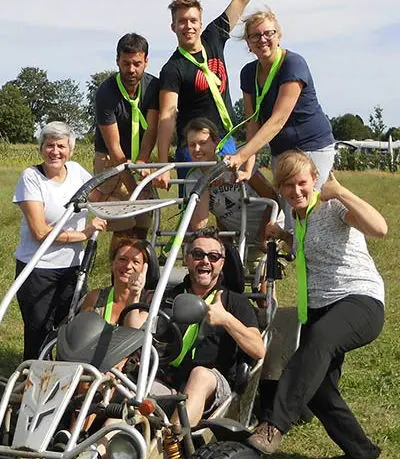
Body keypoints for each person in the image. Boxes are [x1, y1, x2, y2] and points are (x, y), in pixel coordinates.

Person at [246, 151, 387, 459]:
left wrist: (342, 192)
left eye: (301, 183)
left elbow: (380, 228)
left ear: (314, 180)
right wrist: (283, 236)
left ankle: (274, 425)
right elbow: (304, 248)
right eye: (287, 185)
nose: (295, 191)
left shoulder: (333, 207)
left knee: (319, 340)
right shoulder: (298, 219)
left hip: (360, 300)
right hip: (320, 307)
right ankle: (362, 454)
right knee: (318, 387)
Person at [222, 10, 336, 229]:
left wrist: (241, 155)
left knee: (312, 209)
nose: (262, 39)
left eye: (268, 33)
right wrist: (248, 167)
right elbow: (253, 122)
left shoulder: (293, 64)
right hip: (281, 150)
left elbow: (278, 119)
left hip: (312, 146)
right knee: (291, 211)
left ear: (278, 36)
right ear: (248, 43)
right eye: (255, 36)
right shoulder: (248, 73)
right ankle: (294, 246)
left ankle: (317, 248)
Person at [14, 121, 107, 361]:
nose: (55, 151)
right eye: (49, 145)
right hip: (38, 269)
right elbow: (40, 232)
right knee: (39, 331)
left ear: (70, 150)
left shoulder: (76, 172)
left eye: (61, 146)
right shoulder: (31, 177)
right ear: (41, 148)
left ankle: (65, 378)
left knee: (71, 329)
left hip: (73, 267)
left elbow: (101, 197)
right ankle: (33, 376)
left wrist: (115, 171)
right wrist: (84, 234)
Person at [161, 228, 265, 426]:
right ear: (187, 259)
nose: (205, 261)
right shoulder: (168, 298)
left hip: (213, 383)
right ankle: (102, 443)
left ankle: (173, 440)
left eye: (213, 256)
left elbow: (258, 350)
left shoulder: (235, 302)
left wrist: (226, 319)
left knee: (200, 375)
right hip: (168, 380)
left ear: (222, 263)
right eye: (198, 254)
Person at [153, 0, 251, 193]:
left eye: (193, 20)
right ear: (173, 27)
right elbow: (166, 116)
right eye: (182, 21)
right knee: (195, 207)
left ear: (200, 23)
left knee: (231, 202)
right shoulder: (172, 69)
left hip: (225, 141)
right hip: (193, 148)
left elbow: (239, 3)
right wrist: (163, 165)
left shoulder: (214, 37)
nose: (188, 26)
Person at [93, 33, 161, 251]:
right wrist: (134, 189)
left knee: (142, 224)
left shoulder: (153, 86)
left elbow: (151, 129)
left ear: (146, 61)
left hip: (141, 157)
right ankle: (118, 268)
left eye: (137, 64)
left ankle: (138, 269)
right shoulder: (106, 92)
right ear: (117, 61)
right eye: (126, 63)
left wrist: (142, 161)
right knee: (123, 227)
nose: (131, 70)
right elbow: (114, 148)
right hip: (111, 160)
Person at [183, 117, 278, 254]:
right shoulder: (193, 178)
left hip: (269, 231)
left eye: (202, 143)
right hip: (242, 238)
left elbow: (273, 197)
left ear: (216, 143)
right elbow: (199, 225)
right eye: (192, 145)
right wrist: (206, 185)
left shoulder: (237, 162)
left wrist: (262, 236)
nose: (197, 149)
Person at [80, 238, 151, 326]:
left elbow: (132, 330)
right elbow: (79, 329)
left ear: (143, 268)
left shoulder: (149, 300)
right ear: (112, 264)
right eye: (122, 259)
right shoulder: (95, 297)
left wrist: (134, 296)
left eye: (135, 262)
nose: (128, 266)